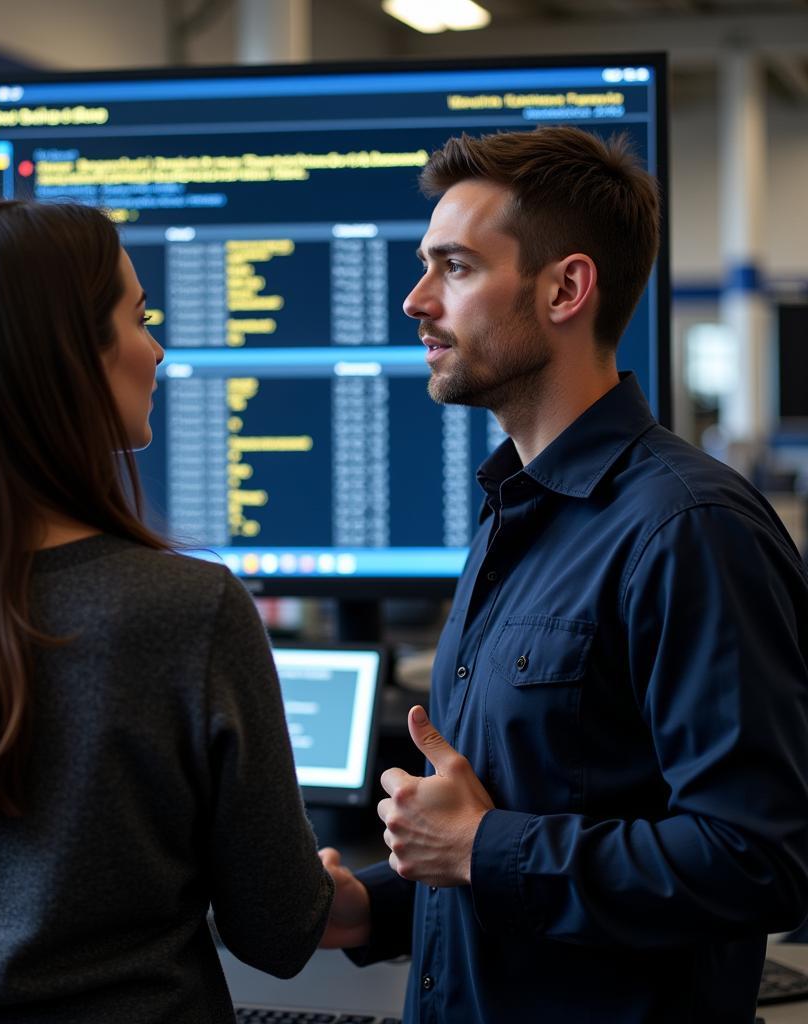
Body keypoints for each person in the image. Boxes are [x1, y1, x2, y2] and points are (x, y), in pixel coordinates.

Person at [0, 199, 332, 1022]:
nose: (156, 350)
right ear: (69, 358)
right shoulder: (190, 612)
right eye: (139, 318)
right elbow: (279, 931)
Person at [318, 126, 808, 1023]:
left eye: (455, 268)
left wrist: (478, 847)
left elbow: (762, 861)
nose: (415, 300)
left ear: (566, 289)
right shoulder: (515, 512)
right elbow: (509, 820)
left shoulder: (688, 530)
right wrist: (369, 907)